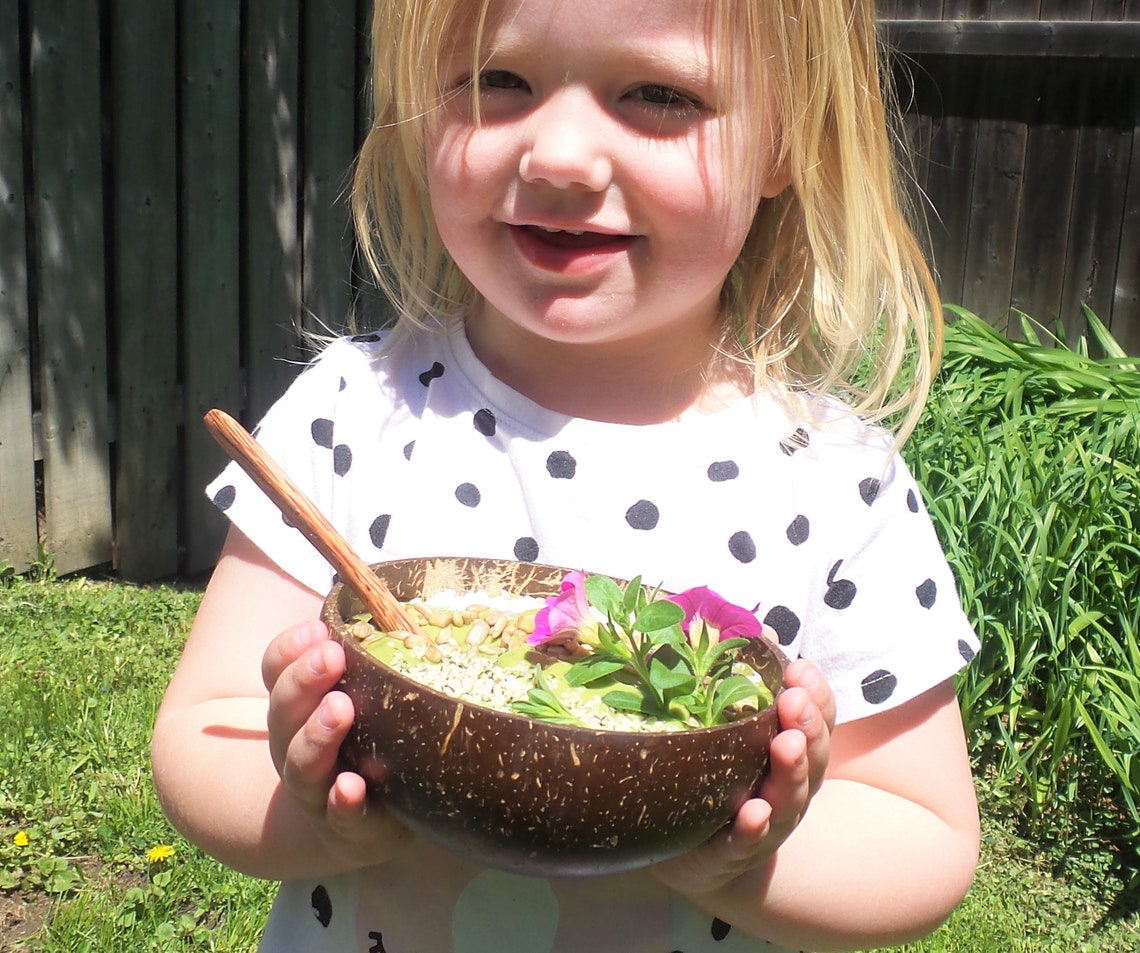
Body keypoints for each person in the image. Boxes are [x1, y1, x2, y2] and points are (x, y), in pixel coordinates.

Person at [151, 0, 981, 950]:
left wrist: (733, 855)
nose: (559, 157)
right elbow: (199, 735)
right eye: (498, 81)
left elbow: (927, 836)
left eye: (660, 95)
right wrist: (314, 810)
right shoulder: (354, 413)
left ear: (786, 140)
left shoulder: (835, 487)